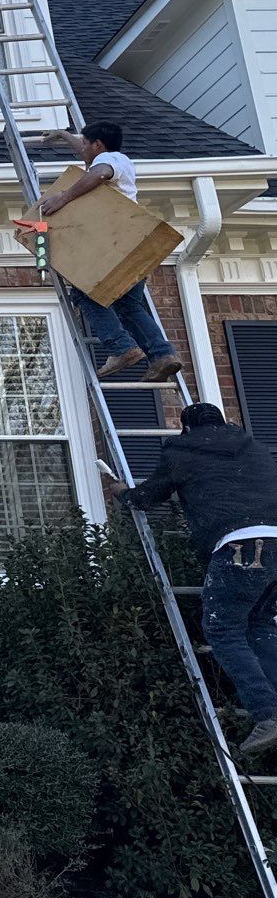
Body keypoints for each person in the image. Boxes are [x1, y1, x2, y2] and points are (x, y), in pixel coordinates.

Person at [108, 402, 277, 758]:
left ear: (186, 428)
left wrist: (122, 492)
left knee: (223, 630)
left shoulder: (182, 451)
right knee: (260, 626)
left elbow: (147, 498)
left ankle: (268, 714)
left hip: (241, 546)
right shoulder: (255, 447)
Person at [38, 120, 184, 382]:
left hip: (116, 245)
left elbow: (100, 172)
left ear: (97, 145)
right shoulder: (111, 157)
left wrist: (63, 197)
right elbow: (87, 153)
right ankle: (163, 355)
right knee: (129, 306)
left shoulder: (111, 159)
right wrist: (63, 135)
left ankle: (122, 348)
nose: (80, 148)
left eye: (85, 144)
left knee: (85, 294)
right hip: (134, 245)